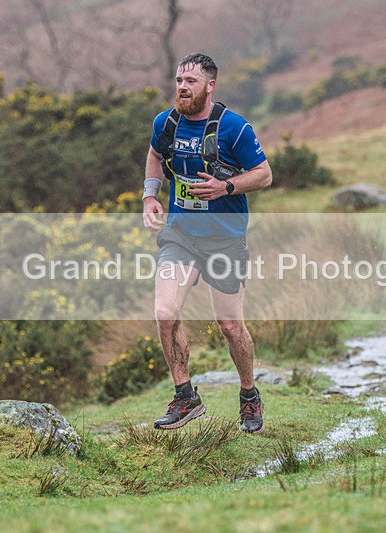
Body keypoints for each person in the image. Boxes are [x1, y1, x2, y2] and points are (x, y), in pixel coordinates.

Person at [142, 53, 273, 432]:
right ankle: (186, 397)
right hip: (180, 236)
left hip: (225, 239)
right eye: (179, 81)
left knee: (230, 325)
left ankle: (249, 397)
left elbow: (264, 175)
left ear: (209, 85)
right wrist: (150, 196)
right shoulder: (165, 123)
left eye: (191, 82)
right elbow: (154, 153)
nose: (183, 88)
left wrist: (226, 186)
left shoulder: (235, 128)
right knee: (166, 312)